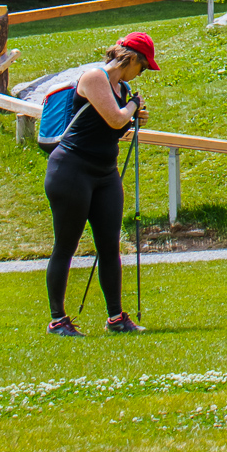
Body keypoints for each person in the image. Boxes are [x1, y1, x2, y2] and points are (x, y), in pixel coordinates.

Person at [42, 31, 158, 336]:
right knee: (65, 246)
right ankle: (57, 320)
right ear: (130, 59)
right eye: (143, 66)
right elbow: (117, 118)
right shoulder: (95, 78)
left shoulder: (123, 87)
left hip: (104, 173)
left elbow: (111, 128)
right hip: (71, 170)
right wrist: (132, 109)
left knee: (110, 247)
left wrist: (133, 114)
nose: (141, 73)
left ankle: (116, 318)